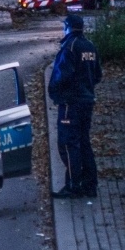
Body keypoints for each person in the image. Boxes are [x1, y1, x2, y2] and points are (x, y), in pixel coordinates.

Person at [48, 11, 102, 199]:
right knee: (84, 142)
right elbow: (97, 75)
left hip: (71, 103)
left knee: (69, 144)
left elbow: (62, 76)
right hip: (87, 101)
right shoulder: (90, 46)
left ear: (68, 28)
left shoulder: (69, 48)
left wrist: (56, 93)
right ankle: (90, 184)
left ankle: (73, 185)